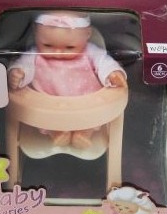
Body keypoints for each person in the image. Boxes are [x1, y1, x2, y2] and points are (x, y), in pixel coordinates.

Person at [7, 10, 127, 149]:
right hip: (50, 103)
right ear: (36, 34)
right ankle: (55, 132)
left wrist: (112, 73)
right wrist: (18, 73)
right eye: (48, 45)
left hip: (85, 101)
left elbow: (104, 62)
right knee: (46, 118)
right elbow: (24, 64)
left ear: (87, 34)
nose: (58, 53)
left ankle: (84, 132)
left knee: (90, 118)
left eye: (70, 47)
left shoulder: (91, 51)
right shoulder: (34, 54)